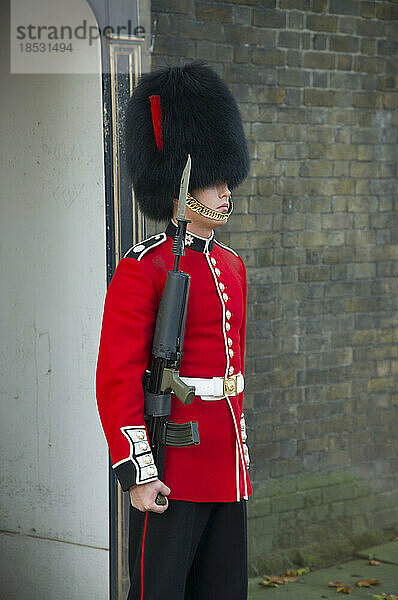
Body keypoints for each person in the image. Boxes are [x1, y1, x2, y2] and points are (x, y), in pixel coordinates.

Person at [96, 60, 252, 600]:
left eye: (225, 180)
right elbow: (117, 376)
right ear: (180, 187)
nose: (224, 193)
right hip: (173, 461)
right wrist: (139, 471)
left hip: (226, 463)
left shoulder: (231, 265)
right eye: (211, 183)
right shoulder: (146, 267)